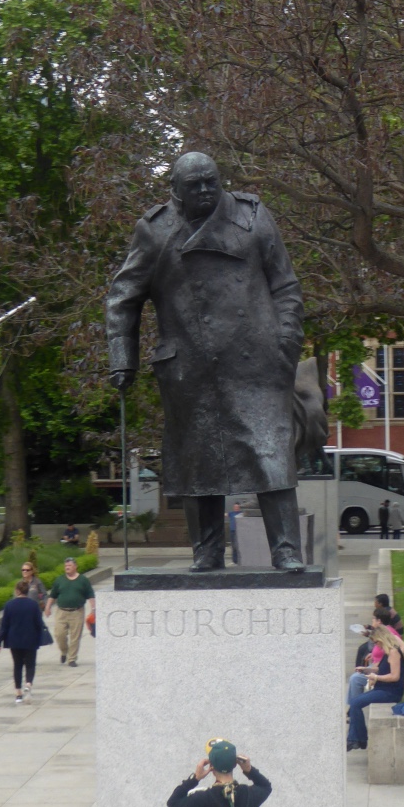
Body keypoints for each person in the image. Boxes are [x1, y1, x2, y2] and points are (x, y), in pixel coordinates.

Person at [107, 151, 306, 573]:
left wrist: (286, 342)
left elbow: (286, 285)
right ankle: (206, 551)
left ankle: (287, 549)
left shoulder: (252, 217)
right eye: (193, 185)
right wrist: (122, 359)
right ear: (175, 192)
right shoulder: (155, 231)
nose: (204, 191)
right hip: (190, 369)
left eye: (210, 182)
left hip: (259, 362)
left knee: (271, 454)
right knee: (198, 460)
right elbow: (123, 298)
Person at [347, 625, 404, 750]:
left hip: (390, 692)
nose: (376, 645)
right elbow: (382, 669)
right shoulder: (388, 651)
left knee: (355, 703)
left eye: (377, 642)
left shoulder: (394, 652)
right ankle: (357, 739)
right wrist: (367, 670)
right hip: (382, 689)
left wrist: (376, 677)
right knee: (355, 702)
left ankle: (357, 739)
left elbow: (395, 676)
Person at [0, 579, 45, 704]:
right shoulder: (33, 605)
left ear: (17, 591)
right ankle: (28, 683)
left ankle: (18, 693)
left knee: (17, 665)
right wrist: (39, 638)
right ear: (27, 591)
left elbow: (4, 625)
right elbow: (39, 624)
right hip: (30, 639)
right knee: (30, 664)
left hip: (14, 640)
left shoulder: (9, 605)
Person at [348, 607, 404, 704]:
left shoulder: (389, 637)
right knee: (356, 677)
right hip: (379, 668)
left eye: (373, 619)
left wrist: (398, 661)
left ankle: (353, 707)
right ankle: (354, 705)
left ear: (379, 621)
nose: (372, 621)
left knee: (355, 679)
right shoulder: (384, 640)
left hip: (385, 678)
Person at [44, 557, 95, 666]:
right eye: (66, 566)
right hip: (61, 612)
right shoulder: (59, 580)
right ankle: (64, 651)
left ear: (75, 567)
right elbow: (52, 595)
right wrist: (47, 607)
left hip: (77, 612)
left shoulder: (83, 580)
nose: (67, 568)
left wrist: (93, 609)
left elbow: (90, 595)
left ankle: (72, 659)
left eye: (69, 566)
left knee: (75, 637)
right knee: (59, 634)